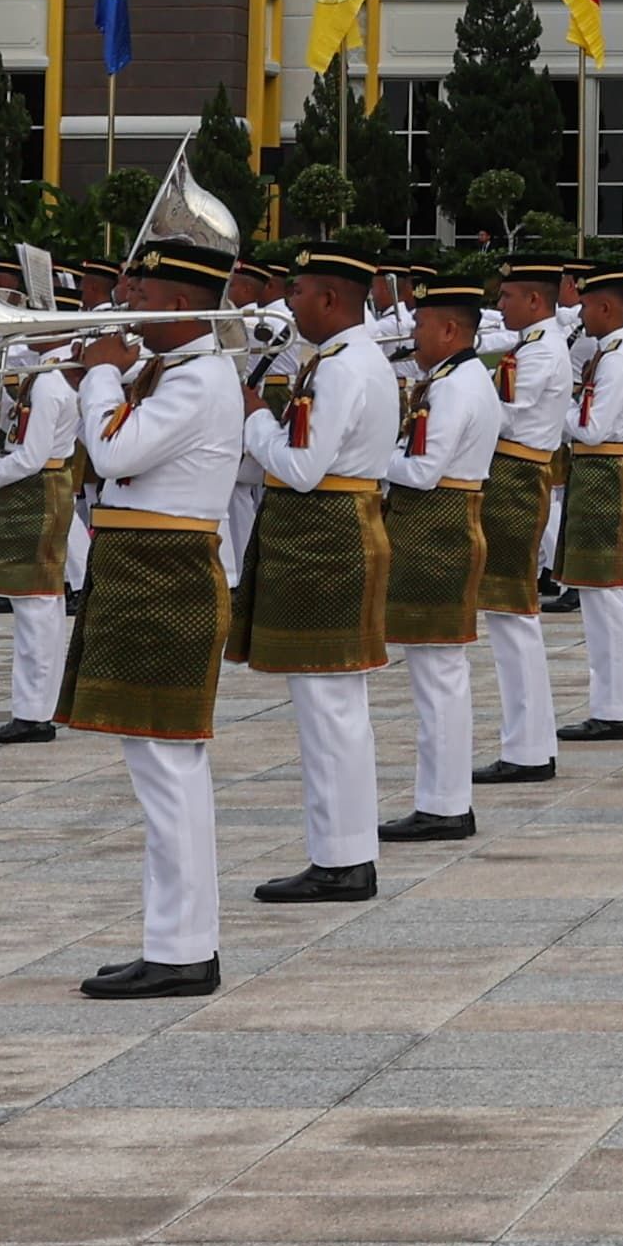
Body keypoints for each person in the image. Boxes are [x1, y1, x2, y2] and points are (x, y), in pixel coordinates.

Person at [63, 231, 249, 999]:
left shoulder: (197, 379)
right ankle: (174, 940)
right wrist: (116, 370)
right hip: (148, 568)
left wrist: (100, 375)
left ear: (179, 301)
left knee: (167, 769)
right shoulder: (173, 369)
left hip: (165, 573)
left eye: (140, 294)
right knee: (162, 768)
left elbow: (113, 454)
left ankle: (182, 950)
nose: (126, 303)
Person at [237, 247, 397, 905]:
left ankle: (341, 859)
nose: (288, 300)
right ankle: (344, 852)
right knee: (337, 710)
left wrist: (251, 417)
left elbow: (301, 467)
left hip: (325, 530)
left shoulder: (340, 367)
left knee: (329, 710)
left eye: (297, 290)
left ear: (330, 298)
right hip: (332, 525)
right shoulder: (345, 359)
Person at [375, 274, 501, 845]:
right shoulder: (455, 377)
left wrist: (371, 457)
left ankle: (444, 804)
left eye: (422, 325)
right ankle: (442, 800)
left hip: (437, 528)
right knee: (436, 675)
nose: (414, 334)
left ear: (450, 329)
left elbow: (424, 472)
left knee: (438, 676)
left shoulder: (454, 386)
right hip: (439, 526)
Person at [0, 335, 84, 751]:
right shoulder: (47, 375)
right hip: (37, 487)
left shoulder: (49, 381)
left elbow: (29, 457)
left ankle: (33, 713)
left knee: (35, 608)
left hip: (36, 489)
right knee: (38, 606)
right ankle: (34, 708)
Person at [478, 255, 575, 778]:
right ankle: (528, 743)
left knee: (513, 616)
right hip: (510, 475)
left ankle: (527, 749)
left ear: (535, 300)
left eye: (507, 296)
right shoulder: (531, 345)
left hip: (517, 477)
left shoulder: (541, 351)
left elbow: (508, 417)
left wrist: (463, 390)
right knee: (510, 618)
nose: (500, 303)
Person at [554, 269, 623, 740]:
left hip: (606, 469)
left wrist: (554, 408)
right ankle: (610, 705)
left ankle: (615, 709)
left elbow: (592, 429)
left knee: (609, 596)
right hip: (597, 470)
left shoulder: (618, 359)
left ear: (608, 309)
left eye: (587, 306)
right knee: (600, 596)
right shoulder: (609, 353)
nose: (581, 315)